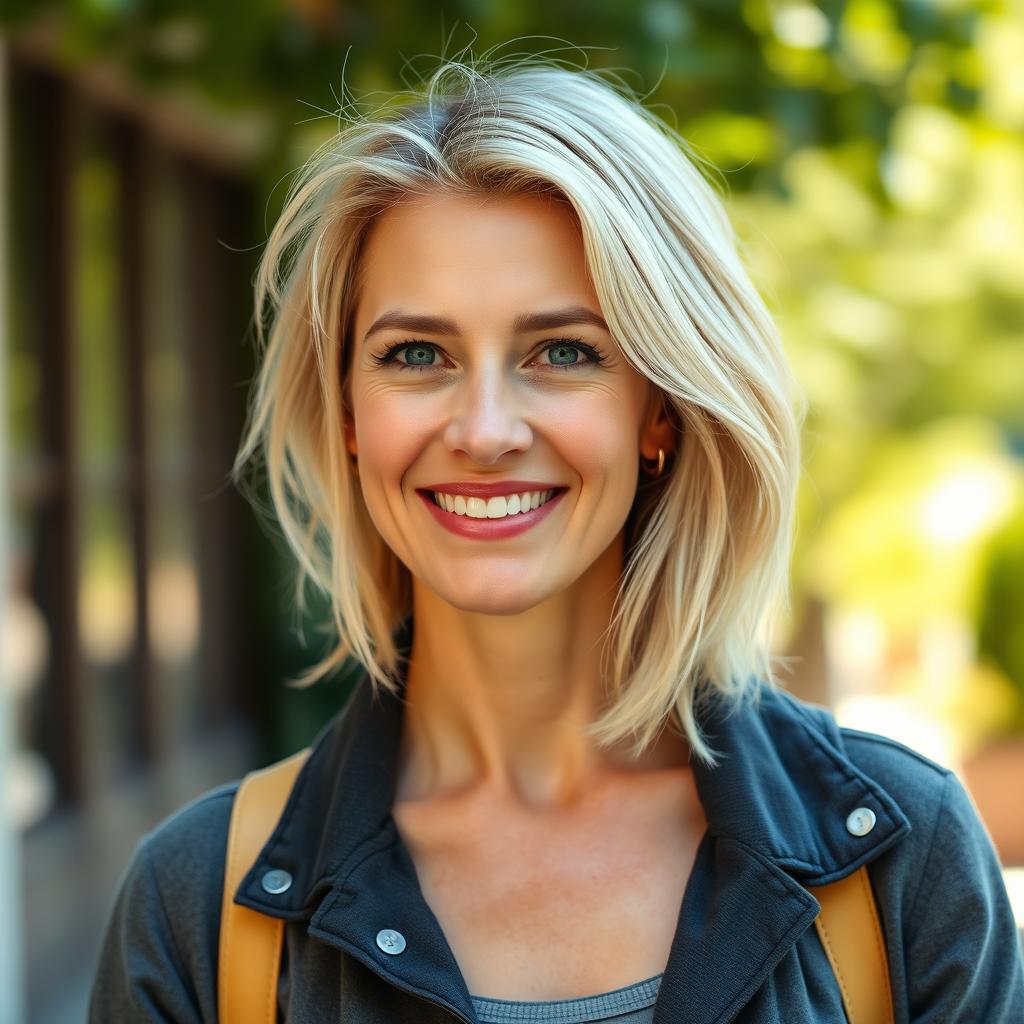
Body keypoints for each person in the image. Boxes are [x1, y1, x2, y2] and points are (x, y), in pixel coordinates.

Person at [89, 53, 1024, 1023]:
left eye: (562, 352)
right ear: (348, 413)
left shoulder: (901, 864)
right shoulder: (200, 906)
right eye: (416, 354)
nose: (485, 429)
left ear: (657, 409)